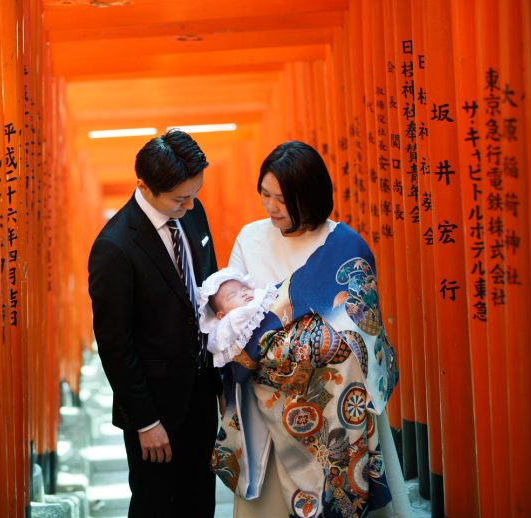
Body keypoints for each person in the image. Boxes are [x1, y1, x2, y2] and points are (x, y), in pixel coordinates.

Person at [216, 140, 410, 517]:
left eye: (283, 199)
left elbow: (362, 332)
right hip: (268, 399)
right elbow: (237, 322)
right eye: (265, 194)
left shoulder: (343, 245)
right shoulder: (249, 238)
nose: (271, 207)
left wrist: (300, 347)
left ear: (310, 196)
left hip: (338, 400)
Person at [87, 129, 223, 518]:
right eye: (180, 198)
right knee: (155, 504)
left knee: (200, 501)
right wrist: (145, 421)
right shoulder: (114, 247)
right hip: (155, 406)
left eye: (195, 193)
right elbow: (115, 344)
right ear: (144, 187)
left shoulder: (193, 215)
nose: (191, 204)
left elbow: (206, 286)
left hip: (200, 391)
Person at [197, 267, 279, 368]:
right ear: (221, 315)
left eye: (244, 289)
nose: (243, 293)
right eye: (232, 295)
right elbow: (218, 342)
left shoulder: (261, 297)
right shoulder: (228, 323)